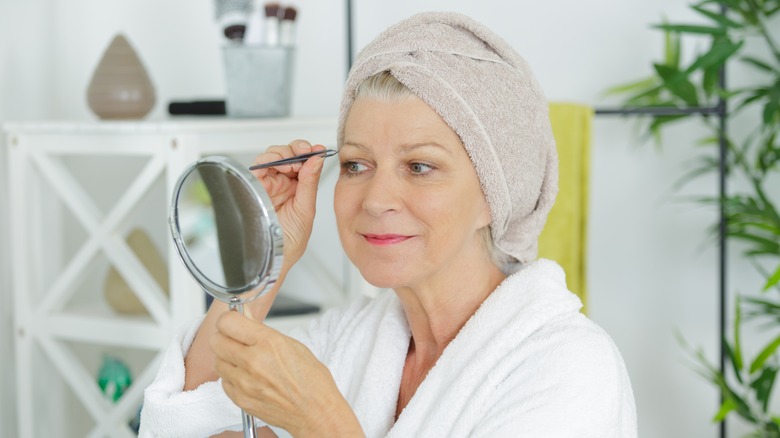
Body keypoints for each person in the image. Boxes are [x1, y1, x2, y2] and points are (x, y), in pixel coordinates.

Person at [140, 11, 637, 437]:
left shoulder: (569, 367)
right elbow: (186, 423)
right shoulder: (351, 339)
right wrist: (263, 257)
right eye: (356, 164)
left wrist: (323, 422)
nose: (376, 199)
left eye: (419, 167)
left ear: (494, 195)